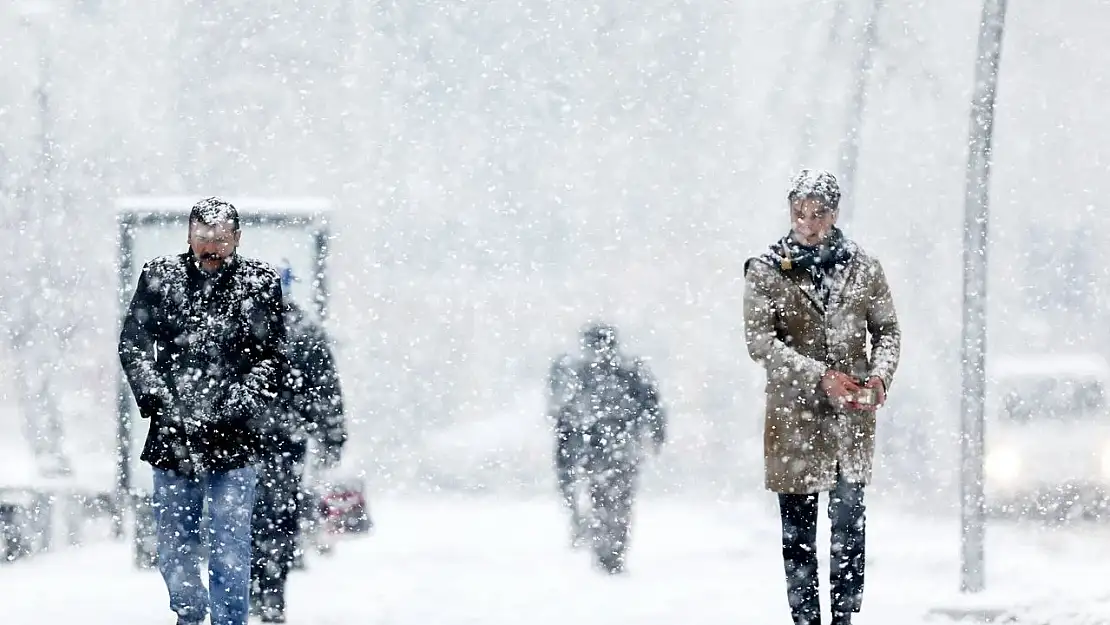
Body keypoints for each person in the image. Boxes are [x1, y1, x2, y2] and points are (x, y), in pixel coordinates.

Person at [118, 197, 287, 625]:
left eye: (220, 239)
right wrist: (159, 398)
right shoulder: (160, 277)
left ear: (237, 239)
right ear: (188, 236)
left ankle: (230, 621)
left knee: (231, 548)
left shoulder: (260, 283)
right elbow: (134, 346)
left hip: (235, 439)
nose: (211, 247)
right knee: (176, 548)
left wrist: (239, 404)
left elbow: (273, 357)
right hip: (173, 439)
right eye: (202, 238)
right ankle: (189, 616)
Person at [743, 169, 900, 625]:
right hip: (794, 422)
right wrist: (819, 376)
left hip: (852, 422)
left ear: (835, 214)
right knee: (799, 536)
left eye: (818, 214)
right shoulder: (768, 269)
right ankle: (805, 620)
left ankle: (845, 618)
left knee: (850, 529)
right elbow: (761, 343)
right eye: (799, 213)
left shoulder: (864, 268)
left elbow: (887, 329)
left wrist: (879, 378)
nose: (808, 224)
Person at [250, 266, 347, 623]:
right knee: (278, 519)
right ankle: (272, 591)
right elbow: (327, 392)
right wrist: (331, 438)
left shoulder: (241, 327)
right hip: (286, 443)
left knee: (244, 519)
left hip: (242, 443)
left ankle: (250, 588)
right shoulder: (305, 331)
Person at [556, 322, 666, 573]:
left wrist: (569, 451)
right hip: (621, 449)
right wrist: (655, 434)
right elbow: (652, 404)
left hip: (599, 451)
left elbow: (568, 417)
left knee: (603, 499)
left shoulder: (583, 374)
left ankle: (607, 549)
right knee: (618, 502)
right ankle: (613, 549)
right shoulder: (628, 371)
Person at [547, 352, 585, 545]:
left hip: (571, 438)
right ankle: (583, 521)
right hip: (578, 439)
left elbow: (554, 407)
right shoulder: (577, 370)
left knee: (569, 483)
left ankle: (580, 521)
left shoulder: (569, 369)